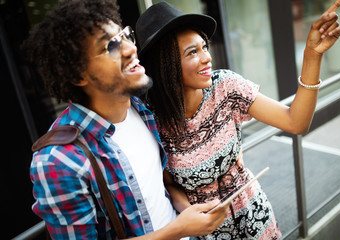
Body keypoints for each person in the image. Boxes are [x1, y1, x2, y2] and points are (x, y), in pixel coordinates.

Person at [136, 1, 340, 239]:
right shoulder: (153, 118)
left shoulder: (225, 86)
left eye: (204, 47)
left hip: (255, 214)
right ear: (165, 65)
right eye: (192, 52)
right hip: (208, 231)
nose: (207, 58)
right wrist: (189, 212)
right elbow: (169, 184)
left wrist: (312, 55)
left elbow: (296, 122)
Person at [23, 0, 230, 239]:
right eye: (110, 45)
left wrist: (188, 212)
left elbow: (156, 188)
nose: (131, 48)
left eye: (125, 35)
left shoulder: (142, 109)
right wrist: (179, 229)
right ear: (78, 74)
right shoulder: (57, 161)